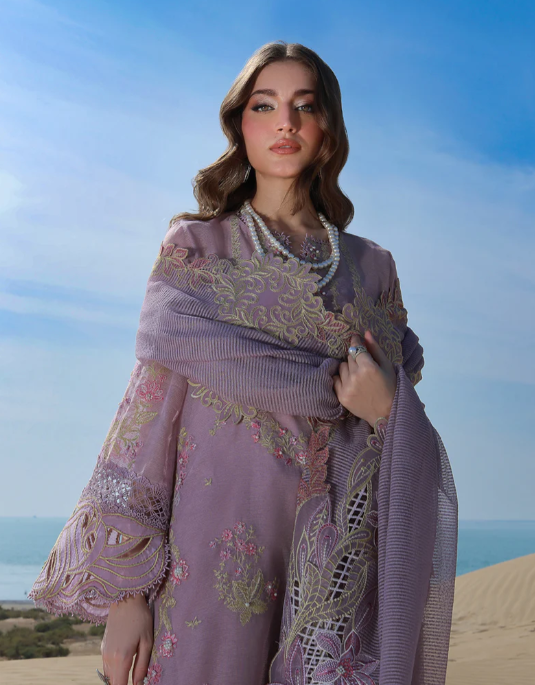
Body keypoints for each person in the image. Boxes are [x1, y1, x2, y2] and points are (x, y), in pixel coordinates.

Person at [29, 41, 458, 685]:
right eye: (264, 106)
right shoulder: (198, 247)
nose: (285, 122)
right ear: (240, 125)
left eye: (304, 106)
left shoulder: (373, 268)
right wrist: (127, 595)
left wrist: (389, 411)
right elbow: (148, 418)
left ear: (328, 127)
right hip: (213, 559)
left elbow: (397, 423)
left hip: (334, 573)